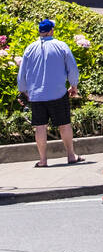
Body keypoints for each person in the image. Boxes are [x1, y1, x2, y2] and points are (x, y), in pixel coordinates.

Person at [17, 19, 82, 167]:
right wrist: (74, 85)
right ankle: (71, 156)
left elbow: (22, 75)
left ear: (40, 31)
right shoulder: (61, 46)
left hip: (36, 95)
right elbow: (72, 68)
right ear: (52, 30)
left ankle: (43, 160)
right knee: (64, 125)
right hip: (58, 93)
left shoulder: (29, 48)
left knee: (40, 127)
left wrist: (24, 91)